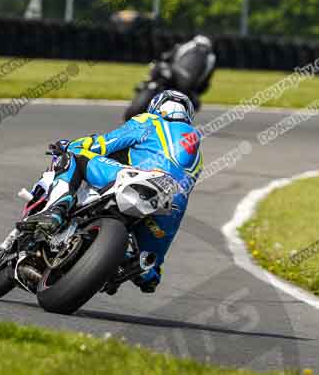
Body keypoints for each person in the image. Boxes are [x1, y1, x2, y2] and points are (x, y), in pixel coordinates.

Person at [18, 90, 203, 293]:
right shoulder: (197, 151)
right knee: (148, 269)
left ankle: (56, 210)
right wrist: (153, 264)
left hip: (138, 179)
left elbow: (105, 143)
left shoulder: (150, 121)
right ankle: (129, 267)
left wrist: (68, 145)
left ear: (156, 107)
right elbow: (183, 193)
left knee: (75, 155)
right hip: (169, 206)